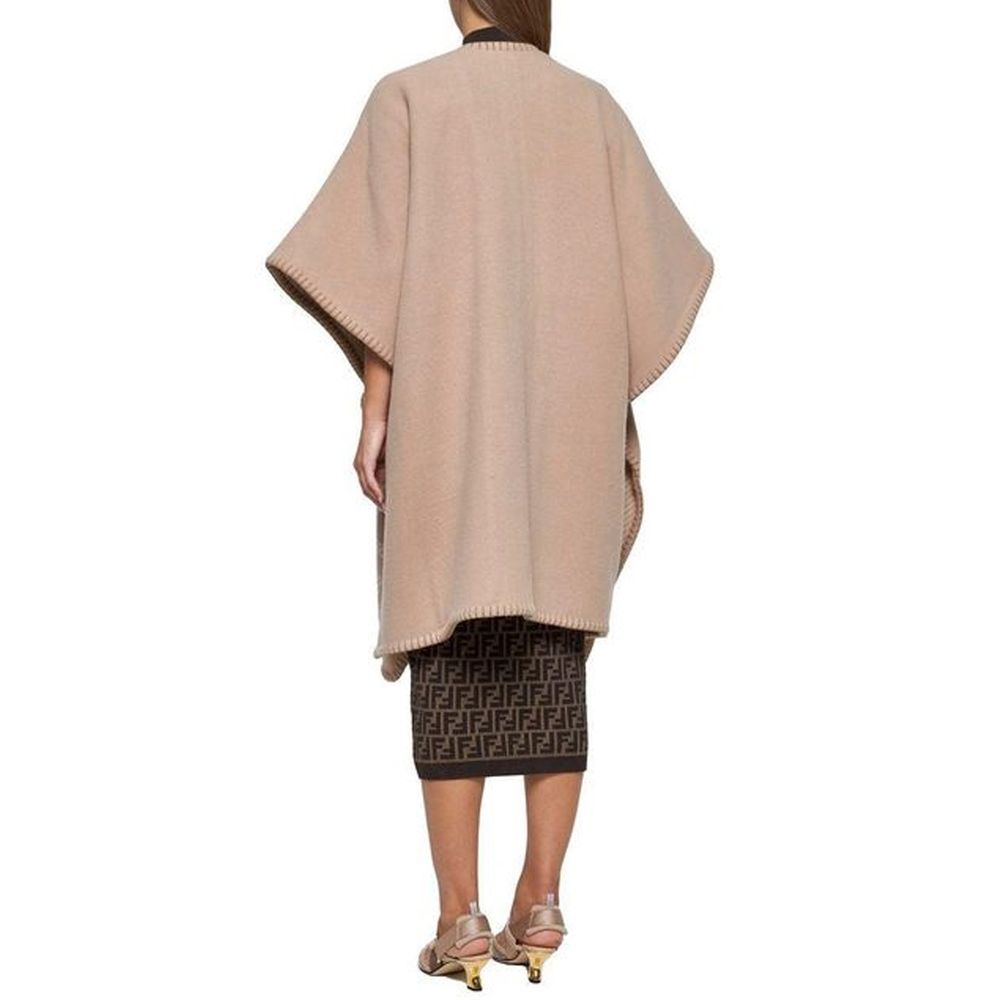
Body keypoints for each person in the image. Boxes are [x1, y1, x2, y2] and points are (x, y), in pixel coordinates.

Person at [264, 0, 713, 987]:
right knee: (554, 650)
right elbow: (664, 273)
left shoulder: (408, 98)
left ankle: (460, 920)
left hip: (450, 418)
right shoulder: (593, 108)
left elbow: (375, 275)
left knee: (450, 644)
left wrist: (376, 407)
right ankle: (540, 904)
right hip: (563, 430)